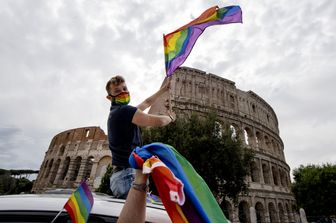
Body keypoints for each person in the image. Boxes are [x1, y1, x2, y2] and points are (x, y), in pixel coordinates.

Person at [105, 75, 175, 199]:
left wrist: (163, 89)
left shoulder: (118, 113)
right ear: (110, 97)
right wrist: (170, 118)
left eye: (125, 88)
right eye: (117, 91)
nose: (123, 92)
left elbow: (146, 103)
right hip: (128, 176)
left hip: (121, 176)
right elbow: (158, 122)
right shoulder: (124, 111)